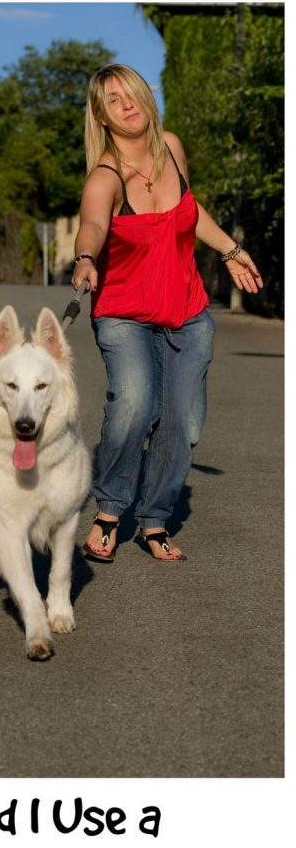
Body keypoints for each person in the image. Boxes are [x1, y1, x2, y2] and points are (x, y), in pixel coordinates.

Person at [72, 64, 262, 563]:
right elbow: (92, 222)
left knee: (184, 419)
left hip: (186, 308)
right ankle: (111, 510)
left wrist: (229, 250)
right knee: (135, 403)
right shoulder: (105, 176)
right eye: (112, 100)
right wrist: (87, 258)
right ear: (102, 116)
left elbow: (189, 211)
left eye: (130, 93)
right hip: (123, 311)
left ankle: (154, 519)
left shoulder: (171, 147)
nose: (126, 104)